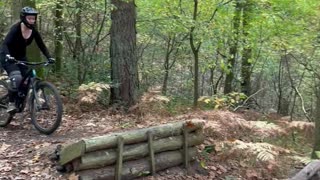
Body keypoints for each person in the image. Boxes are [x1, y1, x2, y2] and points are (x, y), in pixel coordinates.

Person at [0, 6, 54, 113]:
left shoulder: (33, 31)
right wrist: (8, 56)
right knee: (17, 78)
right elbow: (5, 44)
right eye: (30, 18)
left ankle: (21, 100)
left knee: (29, 79)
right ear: (23, 18)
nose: (32, 20)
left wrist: (49, 57)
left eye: (33, 18)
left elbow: (41, 45)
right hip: (7, 56)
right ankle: (11, 103)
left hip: (21, 57)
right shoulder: (15, 29)